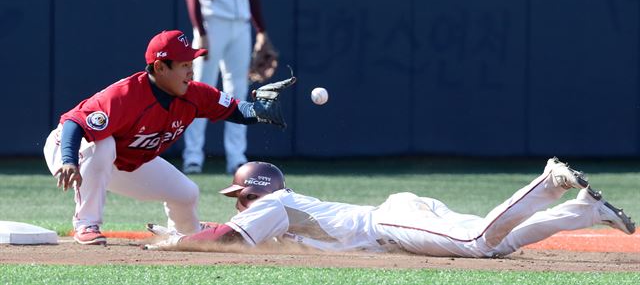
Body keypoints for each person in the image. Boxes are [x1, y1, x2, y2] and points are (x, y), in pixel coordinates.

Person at [43, 30, 292, 245]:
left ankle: (187, 233)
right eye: (184, 65)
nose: (191, 72)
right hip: (71, 147)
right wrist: (68, 160)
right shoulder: (125, 96)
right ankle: (87, 224)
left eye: (191, 64)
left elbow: (235, 109)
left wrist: (257, 111)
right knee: (103, 143)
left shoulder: (194, 94)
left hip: (122, 159)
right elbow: (74, 123)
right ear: (160, 68)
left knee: (186, 193)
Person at [144, 158, 636, 257]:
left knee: (476, 243)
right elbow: (225, 229)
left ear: (258, 191)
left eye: (242, 195)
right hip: (399, 217)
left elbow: (228, 237)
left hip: (389, 222)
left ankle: (547, 183)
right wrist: (194, 231)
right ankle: (587, 211)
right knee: (500, 243)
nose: (242, 203)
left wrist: (176, 241)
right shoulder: (278, 207)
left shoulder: (274, 202)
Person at [183, 0, 279, 174]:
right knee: (198, 91)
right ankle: (192, 157)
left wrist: (261, 30)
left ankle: (237, 159)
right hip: (211, 24)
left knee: (238, 92)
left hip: (241, 24)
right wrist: (201, 32)